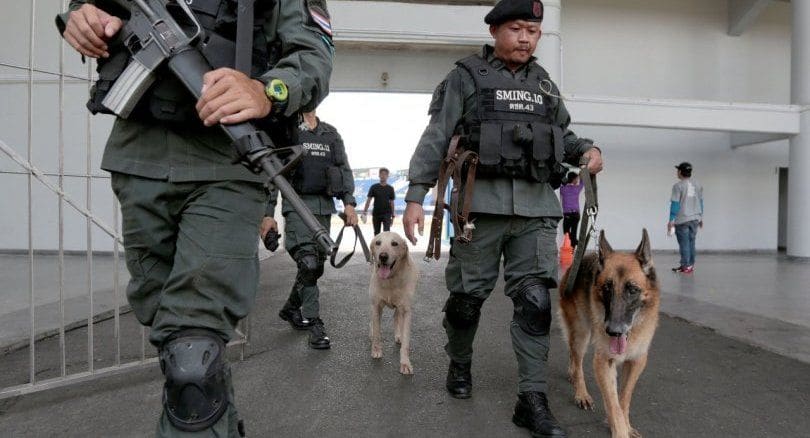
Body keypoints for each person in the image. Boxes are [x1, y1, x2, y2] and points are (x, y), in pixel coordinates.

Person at [56, 1, 333, 436]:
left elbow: (314, 54)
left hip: (227, 163)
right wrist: (77, 16)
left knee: (193, 356)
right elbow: (88, 9)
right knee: (176, 341)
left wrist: (268, 90)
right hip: (140, 160)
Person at [402, 1, 603, 436]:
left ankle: (531, 399)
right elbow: (437, 135)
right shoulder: (466, 76)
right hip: (481, 207)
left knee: (534, 303)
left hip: (535, 210)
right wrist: (416, 196)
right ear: (494, 30)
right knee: (465, 302)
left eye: (533, 30)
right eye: (517, 29)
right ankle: (459, 362)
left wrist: (586, 150)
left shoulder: (545, 86)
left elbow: (563, 136)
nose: (526, 38)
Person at [261, 111, 357, 349]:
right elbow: (273, 172)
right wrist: (268, 214)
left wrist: (349, 203)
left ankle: (291, 308)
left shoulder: (330, 134)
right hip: (296, 205)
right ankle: (314, 324)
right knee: (308, 264)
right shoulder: (288, 131)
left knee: (316, 267)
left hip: (324, 209)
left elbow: (343, 169)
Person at [668, 162, 704, 274]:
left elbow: (675, 204)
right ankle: (690, 265)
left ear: (680, 172)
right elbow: (701, 202)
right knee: (691, 242)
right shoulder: (698, 185)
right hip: (695, 218)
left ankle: (685, 266)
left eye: (677, 170)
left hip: (682, 219)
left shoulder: (678, 186)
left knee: (684, 243)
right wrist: (701, 217)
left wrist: (671, 220)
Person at [362, 168, 397, 235]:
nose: (383, 176)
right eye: (381, 174)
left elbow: (392, 202)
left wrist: (393, 215)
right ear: (379, 175)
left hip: (387, 214)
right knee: (376, 233)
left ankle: (386, 246)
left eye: (385, 174)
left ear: (387, 176)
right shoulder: (374, 187)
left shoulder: (390, 188)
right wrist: (364, 212)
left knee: (386, 233)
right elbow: (368, 200)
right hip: (376, 214)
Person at [559, 172, 584, 248]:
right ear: (573, 179)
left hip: (569, 214)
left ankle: (574, 242)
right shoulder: (576, 188)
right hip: (575, 214)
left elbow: (560, 181)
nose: (577, 180)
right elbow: (582, 183)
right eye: (576, 179)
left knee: (567, 232)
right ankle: (575, 243)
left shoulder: (563, 189)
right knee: (572, 233)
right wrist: (581, 175)